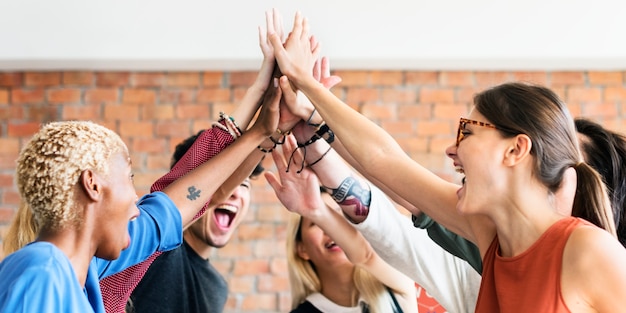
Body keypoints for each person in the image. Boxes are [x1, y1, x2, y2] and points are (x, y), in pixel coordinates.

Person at [269, 13, 626, 311]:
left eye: (467, 133)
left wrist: (306, 84)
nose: (451, 151)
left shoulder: (588, 251)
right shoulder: (491, 240)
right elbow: (385, 160)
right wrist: (312, 107)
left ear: (515, 149)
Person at [0, 71, 279, 313]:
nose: (136, 202)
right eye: (128, 180)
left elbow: (173, 206)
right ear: (93, 185)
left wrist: (260, 129)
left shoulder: (87, 275)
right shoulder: (42, 271)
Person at [266, 136, 417, 313]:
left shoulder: (396, 290)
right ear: (301, 249)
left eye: (340, 219)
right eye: (315, 224)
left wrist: (318, 210)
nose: (331, 231)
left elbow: (366, 256)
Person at [126, 131, 264, 313]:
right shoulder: (156, 249)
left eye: (244, 184)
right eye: (226, 181)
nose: (233, 192)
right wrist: (264, 134)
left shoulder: (217, 287)